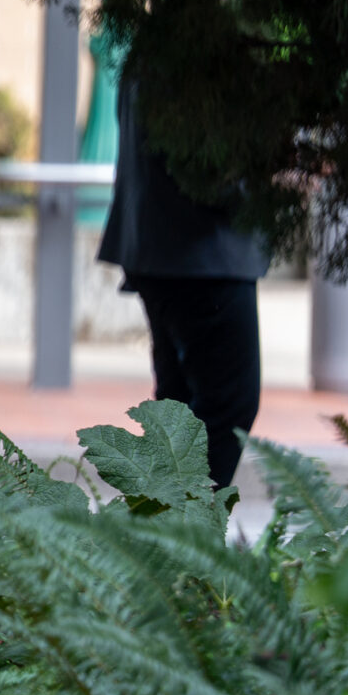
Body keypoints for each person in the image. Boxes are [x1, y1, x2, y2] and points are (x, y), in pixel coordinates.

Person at [97, 66, 268, 486]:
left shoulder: (149, 49)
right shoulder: (198, 48)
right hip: (203, 254)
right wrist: (274, 179)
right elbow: (208, 167)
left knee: (179, 414)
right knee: (226, 406)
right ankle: (183, 523)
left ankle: (162, 519)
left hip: (163, 249)